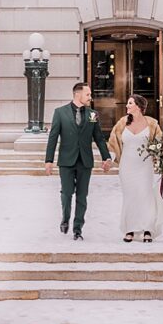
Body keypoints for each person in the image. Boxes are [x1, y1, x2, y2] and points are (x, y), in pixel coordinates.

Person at [42, 81, 115, 240]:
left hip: (85, 161)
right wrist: (49, 160)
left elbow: (99, 138)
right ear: (78, 94)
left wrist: (106, 157)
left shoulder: (92, 114)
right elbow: (53, 137)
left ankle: (77, 229)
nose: (90, 97)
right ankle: (65, 218)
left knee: (82, 196)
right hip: (66, 160)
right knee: (67, 193)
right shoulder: (60, 113)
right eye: (87, 94)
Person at [107, 94, 163, 243]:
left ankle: (148, 229)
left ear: (138, 106)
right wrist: (109, 160)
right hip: (127, 166)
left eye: (130, 103)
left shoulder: (152, 124)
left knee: (145, 196)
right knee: (130, 196)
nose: (127, 106)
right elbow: (112, 143)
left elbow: (161, 143)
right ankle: (129, 229)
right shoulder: (122, 123)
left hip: (144, 166)